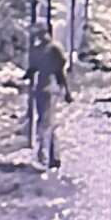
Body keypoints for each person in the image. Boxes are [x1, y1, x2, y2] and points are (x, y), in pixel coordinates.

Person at [24, 26, 73, 170]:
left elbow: (60, 72)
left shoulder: (53, 49)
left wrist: (66, 91)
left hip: (50, 89)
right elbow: (32, 70)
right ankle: (52, 156)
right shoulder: (38, 50)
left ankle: (44, 156)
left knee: (45, 123)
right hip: (41, 88)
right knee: (46, 122)